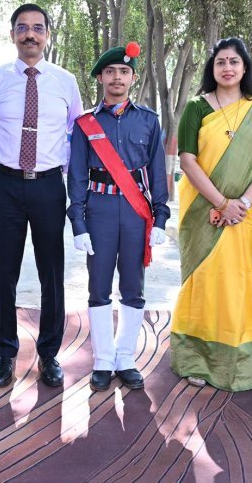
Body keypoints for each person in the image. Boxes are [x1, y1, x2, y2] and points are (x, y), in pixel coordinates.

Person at [170, 37, 252, 391]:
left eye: (234, 62)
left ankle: (239, 363)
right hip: (201, 210)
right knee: (203, 281)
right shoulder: (197, 107)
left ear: (244, 68)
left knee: (237, 282)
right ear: (212, 68)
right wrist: (221, 202)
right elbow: (188, 160)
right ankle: (194, 358)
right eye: (221, 62)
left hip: (245, 214)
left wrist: (244, 203)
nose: (227, 68)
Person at [0, 4, 83, 388]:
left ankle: (49, 354)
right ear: (12, 34)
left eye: (38, 28)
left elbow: (76, 134)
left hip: (47, 186)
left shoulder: (65, 81)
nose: (30, 34)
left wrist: (72, 185)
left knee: (52, 274)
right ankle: (5, 353)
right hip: (5, 186)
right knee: (4, 274)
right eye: (23, 28)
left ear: (47, 35)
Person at [67, 43, 170, 392]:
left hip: (136, 212)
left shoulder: (148, 120)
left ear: (133, 78)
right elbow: (77, 176)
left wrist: (160, 218)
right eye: (110, 72)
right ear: (100, 78)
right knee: (98, 288)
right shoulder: (86, 124)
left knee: (133, 287)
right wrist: (78, 223)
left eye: (123, 72)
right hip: (99, 211)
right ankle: (102, 360)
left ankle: (125, 358)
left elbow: (158, 173)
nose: (116, 77)